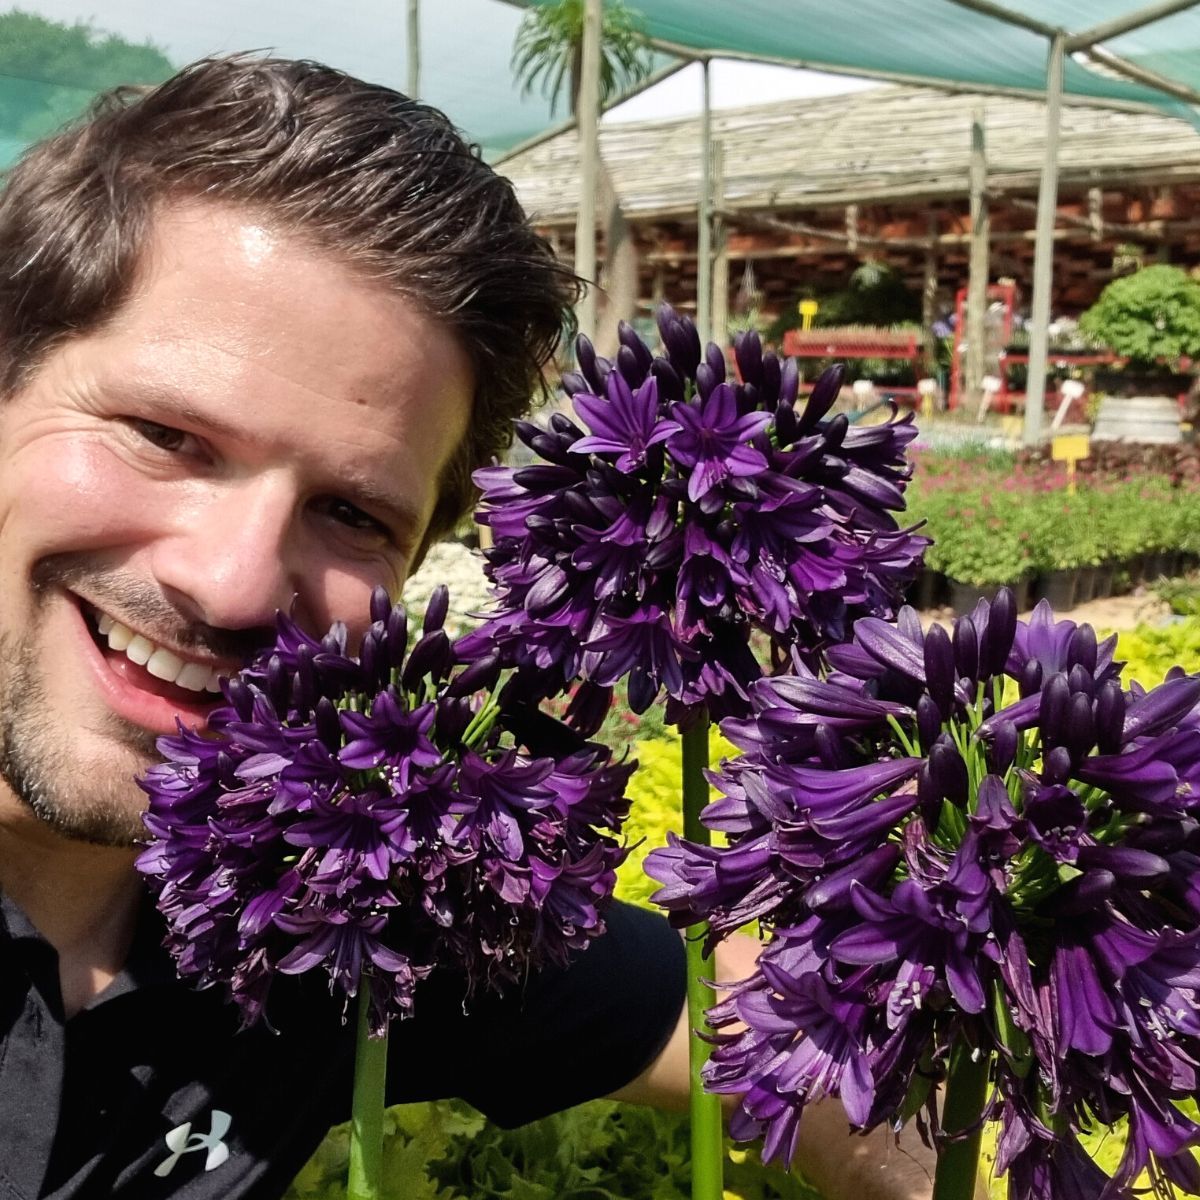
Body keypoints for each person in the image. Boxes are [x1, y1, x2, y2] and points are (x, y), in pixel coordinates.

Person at [0, 55, 942, 1199]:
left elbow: (789, 1044)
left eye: (352, 512)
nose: (236, 585)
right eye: (165, 434)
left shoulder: (349, 880)